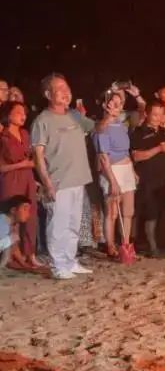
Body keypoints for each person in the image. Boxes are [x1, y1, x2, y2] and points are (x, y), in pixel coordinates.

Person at [30, 73, 98, 279]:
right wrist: (47, 183)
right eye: (60, 89)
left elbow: (98, 129)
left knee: (73, 223)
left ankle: (70, 260)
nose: (66, 93)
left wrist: (110, 116)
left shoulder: (75, 115)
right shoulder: (42, 121)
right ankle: (59, 265)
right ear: (48, 94)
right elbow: (38, 156)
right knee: (58, 225)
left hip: (78, 179)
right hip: (58, 181)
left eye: (67, 88)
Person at [94, 86, 144, 258]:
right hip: (112, 170)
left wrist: (132, 170)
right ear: (105, 105)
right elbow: (103, 157)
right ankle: (110, 245)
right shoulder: (101, 127)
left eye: (119, 103)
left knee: (128, 211)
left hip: (126, 168)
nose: (117, 106)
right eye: (113, 103)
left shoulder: (121, 125)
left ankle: (126, 243)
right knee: (112, 212)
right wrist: (112, 181)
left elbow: (126, 151)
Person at [130, 102, 165, 256]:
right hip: (149, 179)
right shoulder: (138, 132)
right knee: (151, 213)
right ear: (147, 114)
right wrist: (159, 148)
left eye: (161, 114)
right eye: (155, 114)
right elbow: (136, 156)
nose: (158, 118)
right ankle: (152, 248)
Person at [0, 101, 42, 266]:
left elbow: (32, 156)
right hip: (10, 178)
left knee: (30, 216)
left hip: (27, 178)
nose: (23, 116)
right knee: (12, 217)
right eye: (18, 112)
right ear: (8, 115)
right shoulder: (2, 136)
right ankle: (12, 255)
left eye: (24, 113)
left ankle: (30, 253)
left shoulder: (25, 134)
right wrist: (21, 165)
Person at [1, 195, 36, 270]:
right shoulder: (2, 221)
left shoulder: (10, 223)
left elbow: (14, 247)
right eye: (25, 209)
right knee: (13, 238)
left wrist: (24, 265)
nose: (28, 214)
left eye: (28, 211)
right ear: (13, 210)